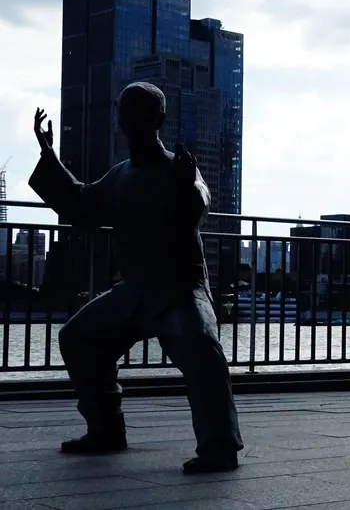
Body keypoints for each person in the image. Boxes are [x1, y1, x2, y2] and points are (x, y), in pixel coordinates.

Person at [29, 82, 245, 474]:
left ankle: (220, 445)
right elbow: (80, 203)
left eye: (139, 111)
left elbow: (197, 206)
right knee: (77, 337)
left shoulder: (179, 168)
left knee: (201, 347)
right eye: (125, 111)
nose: (129, 119)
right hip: (135, 289)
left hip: (180, 287)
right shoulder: (121, 175)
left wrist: (187, 186)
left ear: (159, 119)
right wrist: (49, 154)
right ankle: (106, 428)